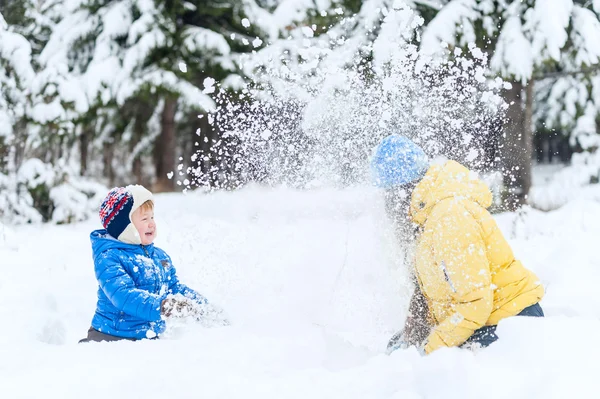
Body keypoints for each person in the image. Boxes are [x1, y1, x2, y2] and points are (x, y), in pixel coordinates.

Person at [370, 135, 545, 355]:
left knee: (434, 371)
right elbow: (432, 289)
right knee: (399, 348)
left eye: (388, 198)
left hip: (512, 320)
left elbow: (475, 304)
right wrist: (414, 329)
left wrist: (430, 349)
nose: (388, 209)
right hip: (482, 318)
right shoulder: (426, 218)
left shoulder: (449, 219)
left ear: (402, 192)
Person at [79, 185, 225, 343]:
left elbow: (174, 288)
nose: (152, 224)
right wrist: (163, 306)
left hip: (147, 339)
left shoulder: (159, 257)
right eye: (144, 219)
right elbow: (123, 295)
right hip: (110, 338)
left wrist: (203, 308)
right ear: (124, 227)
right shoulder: (109, 257)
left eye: (152, 217)